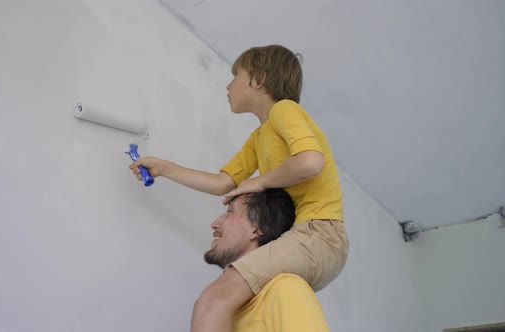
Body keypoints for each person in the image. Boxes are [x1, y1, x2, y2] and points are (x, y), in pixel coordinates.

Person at [130, 44, 349, 332]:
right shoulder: (259, 138)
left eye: (236, 75)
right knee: (234, 306)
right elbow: (222, 183)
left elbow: (310, 162)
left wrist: (259, 181)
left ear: (259, 80)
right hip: (308, 238)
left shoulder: (285, 110)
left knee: (214, 299)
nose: (228, 85)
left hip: (320, 234)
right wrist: (164, 168)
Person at [204, 189, 330, 331]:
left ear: (258, 229)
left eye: (230, 211)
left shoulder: (286, 289)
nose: (214, 224)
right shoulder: (229, 309)